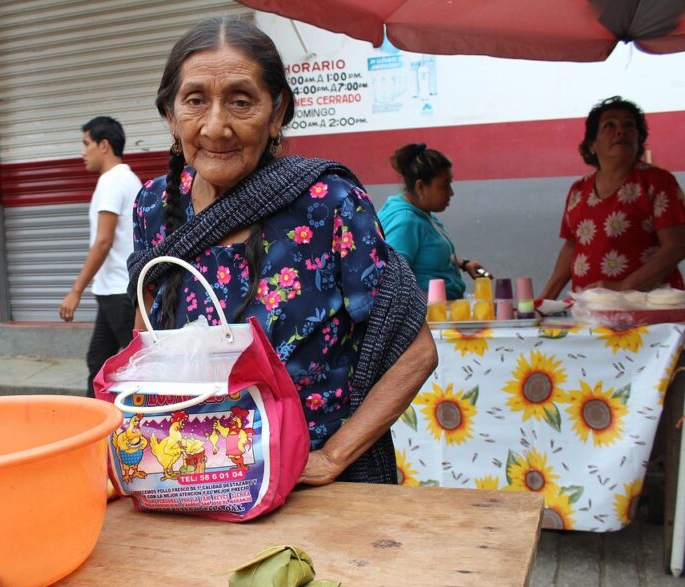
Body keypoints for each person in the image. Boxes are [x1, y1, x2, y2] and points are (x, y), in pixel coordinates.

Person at [126, 17, 438, 485]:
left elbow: (417, 353)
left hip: (306, 486)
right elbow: (144, 340)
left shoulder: (329, 203)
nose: (216, 126)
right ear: (171, 115)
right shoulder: (154, 204)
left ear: (278, 113)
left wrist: (333, 457)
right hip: (188, 476)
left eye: (241, 101)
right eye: (195, 100)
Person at [540, 96, 685, 299]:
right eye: (609, 125)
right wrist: (544, 299)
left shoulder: (658, 182)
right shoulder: (578, 190)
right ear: (592, 145)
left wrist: (625, 287)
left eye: (629, 125)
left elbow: (677, 246)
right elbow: (571, 246)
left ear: (638, 140)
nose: (620, 131)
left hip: (649, 308)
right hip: (590, 308)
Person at [59, 116, 143, 396]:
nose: (83, 152)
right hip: (115, 290)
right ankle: (96, 427)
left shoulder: (111, 181)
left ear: (103, 145)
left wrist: (76, 290)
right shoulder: (128, 178)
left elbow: (103, 240)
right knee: (98, 361)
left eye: (86, 144)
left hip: (118, 292)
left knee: (140, 367)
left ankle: (144, 426)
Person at [379, 143, 489, 300]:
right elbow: (391, 282)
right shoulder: (404, 221)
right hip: (427, 319)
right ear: (421, 187)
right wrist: (432, 305)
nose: (451, 193)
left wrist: (464, 264)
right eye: (445, 185)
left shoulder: (422, 214)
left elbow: (427, 252)